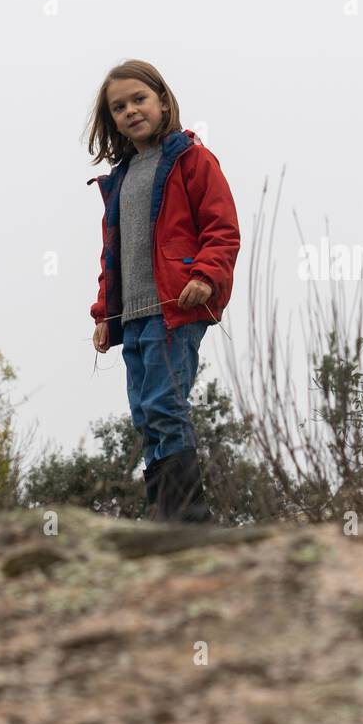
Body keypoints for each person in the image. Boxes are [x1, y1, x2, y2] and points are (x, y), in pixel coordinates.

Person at [86, 59, 240, 519]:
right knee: (144, 415)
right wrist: (102, 315)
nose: (131, 111)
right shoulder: (122, 177)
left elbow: (223, 228)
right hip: (131, 316)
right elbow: (112, 256)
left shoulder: (192, 160)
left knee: (165, 406)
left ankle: (188, 517)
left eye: (139, 99)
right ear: (111, 119)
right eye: (119, 106)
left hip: (175, 307)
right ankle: (164, 514)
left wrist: (205, 276)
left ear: (163, 101)